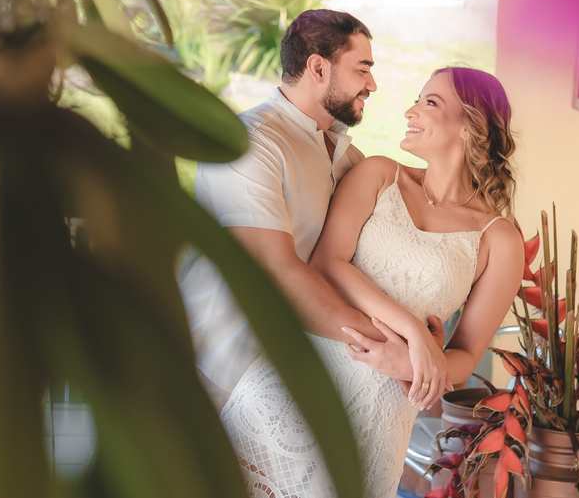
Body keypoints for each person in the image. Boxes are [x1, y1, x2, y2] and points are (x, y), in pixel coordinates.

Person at [219, 66, 525, 498]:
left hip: (376, 421)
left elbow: (465, 354)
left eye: (429, 103)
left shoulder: (499, 240)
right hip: (296, 383)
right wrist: (415, 333)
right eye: (417, 99)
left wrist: (410, 363)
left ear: (471, 123)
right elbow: (328, 263)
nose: (410, 111)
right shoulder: (380, 175)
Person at [179, 9, 443, 409]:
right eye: (362, 69)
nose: (373, 84)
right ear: (318, 68)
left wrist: (417, 340)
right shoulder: (249, 145)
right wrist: (401, 347)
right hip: (217, 376)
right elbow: (278, 274)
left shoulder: (350, 158)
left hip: (292, 385)